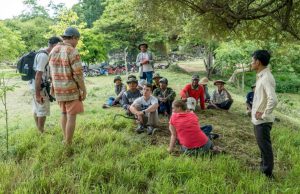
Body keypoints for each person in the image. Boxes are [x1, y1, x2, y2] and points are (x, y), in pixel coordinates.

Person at [49, 27, 86, 145]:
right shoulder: (72, 51)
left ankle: (65, 140)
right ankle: (68, 143)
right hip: (71, 89)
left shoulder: (54, 50)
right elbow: (78, 74)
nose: (77, 43)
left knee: (64, 113)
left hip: (58, 89)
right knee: (71, 116)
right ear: (74, 38)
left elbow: (51, 71)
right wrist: (83, 89)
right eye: (77, 40)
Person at [251, 50, 277, 178]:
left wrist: (264, 114)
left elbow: (273, 99)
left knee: (265, 147)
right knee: (262, 146)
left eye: (252, 60)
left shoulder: (266, 77)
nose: (251, 63)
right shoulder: (262, 75)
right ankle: (263, 168)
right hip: (258, 120)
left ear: (258, 62)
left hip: (263, 121)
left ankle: (267, 174)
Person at [31, 36, 62, 133]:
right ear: (54, 45)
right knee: (42, 110)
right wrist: (37, 94)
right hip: (39, 86)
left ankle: (39, 130)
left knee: (37, 109)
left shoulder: (43, 53)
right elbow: (38, 76)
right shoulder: (44, 56)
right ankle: (41, 132)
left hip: (36, 85)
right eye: (59, 47)